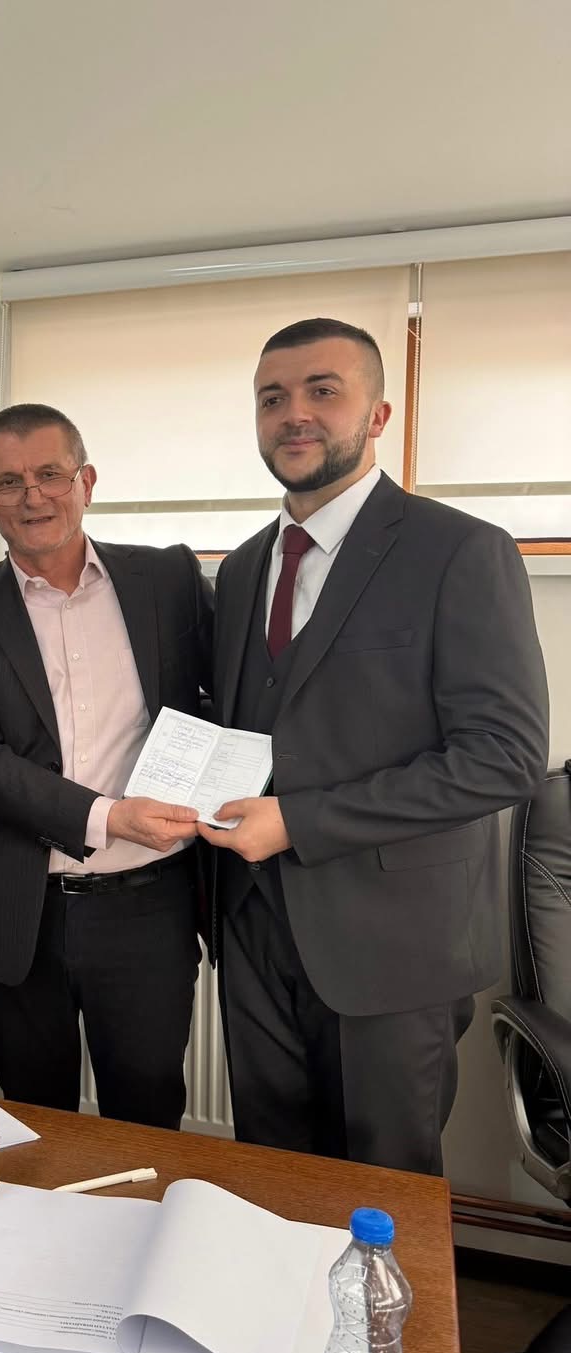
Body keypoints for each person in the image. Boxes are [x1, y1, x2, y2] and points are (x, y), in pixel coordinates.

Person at [200, 318, 549, 1173]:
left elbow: (504, 756)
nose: (294, 413)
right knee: (272, 1177)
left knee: (383, 1191)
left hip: (395, 945)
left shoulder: (459, 550)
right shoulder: (242, 569)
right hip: (251, 927)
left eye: (323, 391)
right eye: (272, 398)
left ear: (379, 414)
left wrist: (300, 821)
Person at [0, 403, 213, 1126]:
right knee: (33, 1121)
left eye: (51, 474)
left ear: (86, 482)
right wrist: (107, 817)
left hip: (149, 906)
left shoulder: (167, 578)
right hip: (21, 908)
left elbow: (227, 699)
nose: (34, 496)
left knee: (147, 1116)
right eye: (9, 483)